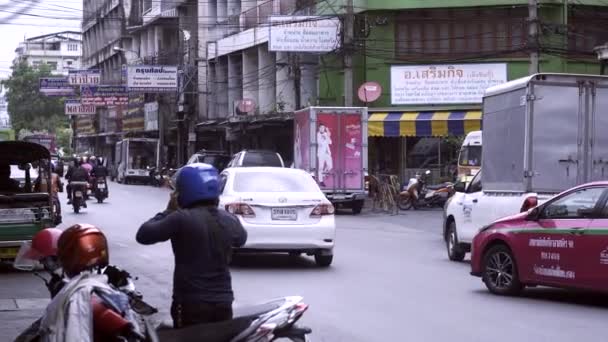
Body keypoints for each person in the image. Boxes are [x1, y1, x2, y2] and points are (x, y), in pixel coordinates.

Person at [136, 163, 247, 328]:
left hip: (191, 302)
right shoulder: (229, 220)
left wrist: (168, 211)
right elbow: (241, 239)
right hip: (223, 302)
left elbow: (144, 235)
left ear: (184, 191)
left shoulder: (180, 219)